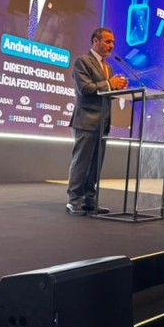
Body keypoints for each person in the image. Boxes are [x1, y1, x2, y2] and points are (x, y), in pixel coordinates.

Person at [65, 27, 127, 216]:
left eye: (113, 42)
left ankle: (90, 201)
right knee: (81, 163)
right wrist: (110, 84)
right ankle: (74, 201)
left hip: (103, 123)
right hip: (86, 121)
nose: (111, 45)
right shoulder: (83, 61)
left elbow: (104, 95)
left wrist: (117, 89)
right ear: (95, 41)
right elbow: (85, 89)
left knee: (95, 165)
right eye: (108, 41)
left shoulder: (108, 67)